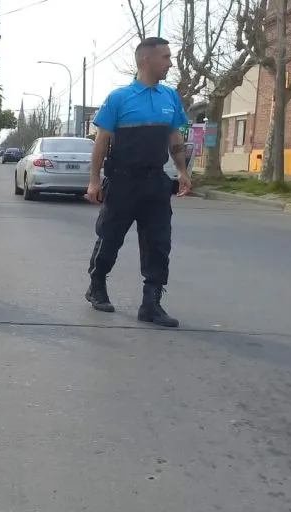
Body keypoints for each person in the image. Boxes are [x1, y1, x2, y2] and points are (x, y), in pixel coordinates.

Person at [84, 36, 192, 328]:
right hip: (122, 181)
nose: (170, 62)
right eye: (166, 57)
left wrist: (182, 171)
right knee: (110, 237)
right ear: (147, 60)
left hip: (156, 182)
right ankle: (97, 285)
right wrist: (94, 181)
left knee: (159, 243)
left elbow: (174, 137)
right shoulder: (119, 98)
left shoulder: (169, 97)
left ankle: (151, 303)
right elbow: (101, 143)